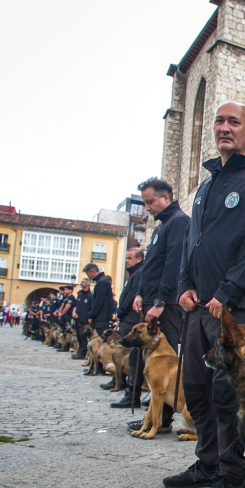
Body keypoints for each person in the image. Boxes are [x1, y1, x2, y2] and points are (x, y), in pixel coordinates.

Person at [166, 100, 245, 488]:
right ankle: (207, 462)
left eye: (234, 121)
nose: (224, 127)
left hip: (232, 310)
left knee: (225, 393)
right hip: (198, 308)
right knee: (196, 389)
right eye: (219, 120)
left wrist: (228, 292)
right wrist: (182, 285)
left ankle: (231, 478)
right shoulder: (204, 188)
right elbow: (191, 245)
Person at [124, 176, 189, 415]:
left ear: (165, 197)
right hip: (153, 300)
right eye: (144, 203)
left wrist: (161, 302)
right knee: (149, 359)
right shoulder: (163, 225)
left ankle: (161, 420)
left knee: (164, 361)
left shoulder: (179, 222)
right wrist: (141, 293)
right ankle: (152, 415)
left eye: (150, 202)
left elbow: (173, 265)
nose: (147, 208)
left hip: (166, 303)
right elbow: (151, 265)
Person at [111, 248, 146, 409]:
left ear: (139, 259)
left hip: (131, 318)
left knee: (134, 357)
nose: (126, 261)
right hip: (129, 317)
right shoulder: (136, 273)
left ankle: (132, 393)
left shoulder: (139, 273)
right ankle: (128, 388)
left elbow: (130, 297)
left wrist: (120, 312)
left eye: (129, 258)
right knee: (131, 358)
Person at [84, 264, 113, 336]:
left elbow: (99, 301)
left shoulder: (102, 282)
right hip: (101, 316)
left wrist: (92, 315)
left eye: (88, 274)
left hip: (101, 317)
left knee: (100, 339)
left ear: (92, 271)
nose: (88, 277)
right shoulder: (101, 281)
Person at [72, 279, 92, 358]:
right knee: (78, 335)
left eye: (83, 282)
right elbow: (76, 305)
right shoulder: (80, 294)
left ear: (87, 284)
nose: (81, 283)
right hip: (77, 317)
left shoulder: (90, 295)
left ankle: (83, 352)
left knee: (82, 335)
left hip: (84, 319)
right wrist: (74, 312)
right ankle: (79, 350)